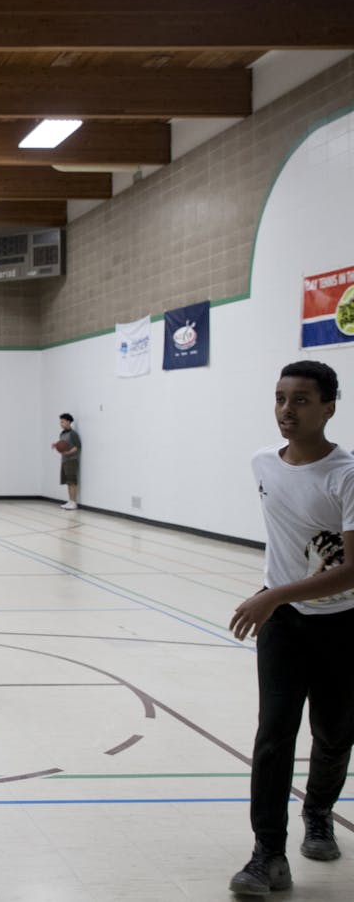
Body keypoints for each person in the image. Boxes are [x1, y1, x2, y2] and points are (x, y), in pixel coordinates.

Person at [226, 360, 354, 896]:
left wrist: (273, 593)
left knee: (333, 733)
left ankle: (319, 812)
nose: (286, 409)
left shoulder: (346, 475)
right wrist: (274, 593)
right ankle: (267, 855)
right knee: (274, 736)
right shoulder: (262, 462)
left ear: (328, 407)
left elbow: (352, 570)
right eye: (280, 398)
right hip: (283, 625)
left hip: (344, 625)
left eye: (301, 400)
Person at [55, 413, 81, 510]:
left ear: (68, 422)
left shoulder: (73, 434)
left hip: (72, 460)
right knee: (68, 482)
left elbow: (77, 446)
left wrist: (68, 452)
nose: (61, 424)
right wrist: (56, 446)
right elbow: (62, 446)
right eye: (60, 422)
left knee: (72, 482)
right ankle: (70, 501)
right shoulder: (62, 434)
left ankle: (74, 502)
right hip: (64, 460)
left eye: (63, 422)